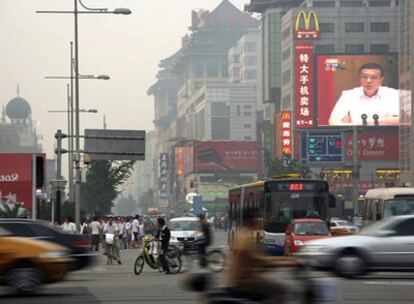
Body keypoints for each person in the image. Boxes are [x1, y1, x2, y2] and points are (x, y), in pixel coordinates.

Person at [227, 208, 302, 304]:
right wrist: (290, 262)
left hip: (246, 279)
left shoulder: (246, 235)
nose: (261, 220)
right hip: (244, 282)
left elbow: (263, 258)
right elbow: (263, 261)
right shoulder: (245, 240)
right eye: (258, 217)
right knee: (280, 289)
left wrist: (287, 260)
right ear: (252, 220)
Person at [329, 63, 399, 126]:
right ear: (360, 78)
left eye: (373, 77)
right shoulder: (348, 95)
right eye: (364, 77)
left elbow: (402, 119)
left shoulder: (393, 94)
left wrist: (365, 123)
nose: (368, 81)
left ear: (381, 80)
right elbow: (333, 120)